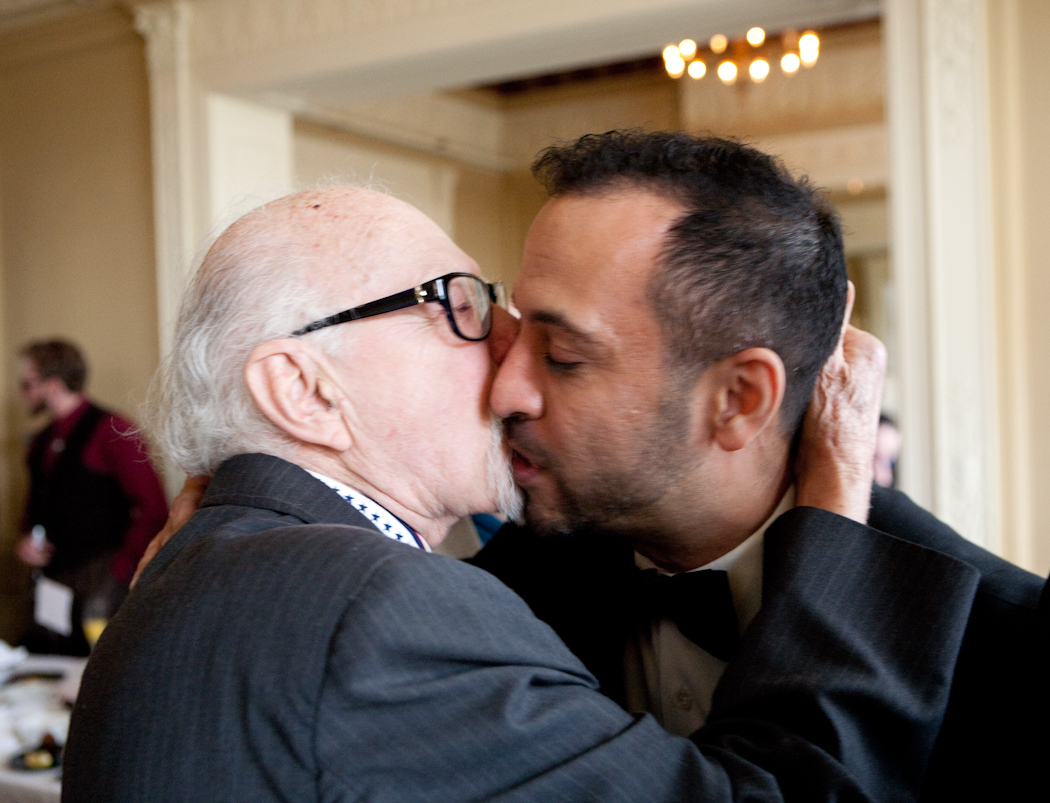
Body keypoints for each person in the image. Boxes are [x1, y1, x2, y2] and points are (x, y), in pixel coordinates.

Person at [64, 186, 977, 803]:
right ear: (305, 391)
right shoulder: (378, 607)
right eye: (457, 303)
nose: (509, 346)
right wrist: (833, 499)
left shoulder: (209, 572)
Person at [470, 131, 1045, 801]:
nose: (504, 391)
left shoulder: (1013, 644)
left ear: (739, 399)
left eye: (564, 355)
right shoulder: (497, 593)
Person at [14, 339, 168, 655]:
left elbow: (153, 507)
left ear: (53, 384)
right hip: (54, 579)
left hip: (102, 578)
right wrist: (28, 540)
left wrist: (121, 569)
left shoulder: (112, 430)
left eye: (27, 383)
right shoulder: (42, 440)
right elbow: (36, 508)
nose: (22, 392)